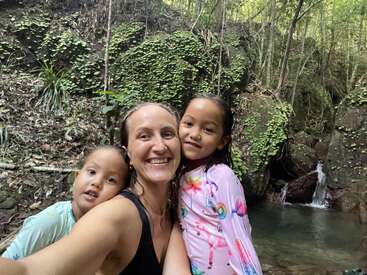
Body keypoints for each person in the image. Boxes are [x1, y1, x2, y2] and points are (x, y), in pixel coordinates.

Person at [0, 102, 190, 275]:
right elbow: (26, 270)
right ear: (128, 152)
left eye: (167, 134)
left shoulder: (179, 211)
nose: (159, 146)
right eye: (144, 136)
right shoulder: (116, 216)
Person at [178, 95, 263, 275]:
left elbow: (240, 234)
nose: (194, 134)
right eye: (188, 124)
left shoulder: (220, 176)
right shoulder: (176, 173)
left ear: (222, 141)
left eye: (208, 130)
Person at [2, 145, 129, 260]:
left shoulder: (110, 233)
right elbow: (9, 263)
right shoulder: (52, 221)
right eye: (92, 172)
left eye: (111, 180)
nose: (96, 182)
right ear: (76, 177)